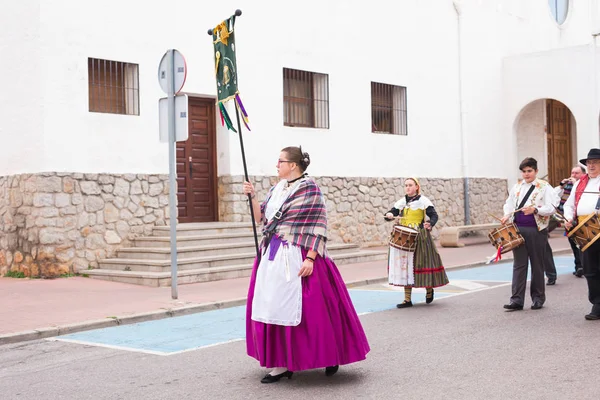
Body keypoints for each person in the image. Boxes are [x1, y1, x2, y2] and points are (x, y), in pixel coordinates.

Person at [242, 146, 370, 383]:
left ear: (293, 165)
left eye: (280, 161)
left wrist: (311, 258)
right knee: (272, 305)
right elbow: (261, 218)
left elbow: (319, 224)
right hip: (273, 253)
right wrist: (253, 197)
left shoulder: (310, 189)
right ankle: (281, 363)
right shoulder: (277, 188)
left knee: (315, 312)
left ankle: (329, 355)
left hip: (300, 254)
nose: (276, 165)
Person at [501, 157, 558, 311]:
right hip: (518, 229)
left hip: (536, 230)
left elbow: (552, 207)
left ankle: (538, 298)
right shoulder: (517, 187)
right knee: (519, 265)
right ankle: (517, 300)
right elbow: (509, 203)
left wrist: (536, 210)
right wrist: (507, 214)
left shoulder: (545, 187)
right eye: (524, 171)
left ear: (536, 171)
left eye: (529, 171)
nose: (526, 174)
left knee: (537, 265)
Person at [383, 177, 449, 308]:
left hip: (420, 237)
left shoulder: (423, 201)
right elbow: (392, 211)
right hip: (405, 238)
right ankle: (407, 299)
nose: (407, 187)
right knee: (405, 267)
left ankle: (429, 290)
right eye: (406, 185)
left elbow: (434, 215)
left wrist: (430, 223)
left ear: (416, 187)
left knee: (422, 264)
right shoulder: (402, 201)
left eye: (410, 185)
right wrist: (389, 214)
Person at [563, 148, 600, 320]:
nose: (591, 165)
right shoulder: (580, 183)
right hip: (584, 230)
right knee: (589, 269)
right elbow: (569, 205)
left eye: (595, 162)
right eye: (589, 163)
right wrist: (569, 218)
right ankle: (597, 304)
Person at [554, 165, 586, 277]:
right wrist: (561, 186)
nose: (573, 175)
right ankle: (579, 266)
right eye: (572, 173)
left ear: (583, 174)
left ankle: (584, 266)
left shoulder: (585, 185)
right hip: (569, 220)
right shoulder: (567, 186)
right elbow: (555, 197)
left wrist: (575, 184)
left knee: (583, 245)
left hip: (582, 220)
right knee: (573, 244)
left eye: (576, 173)